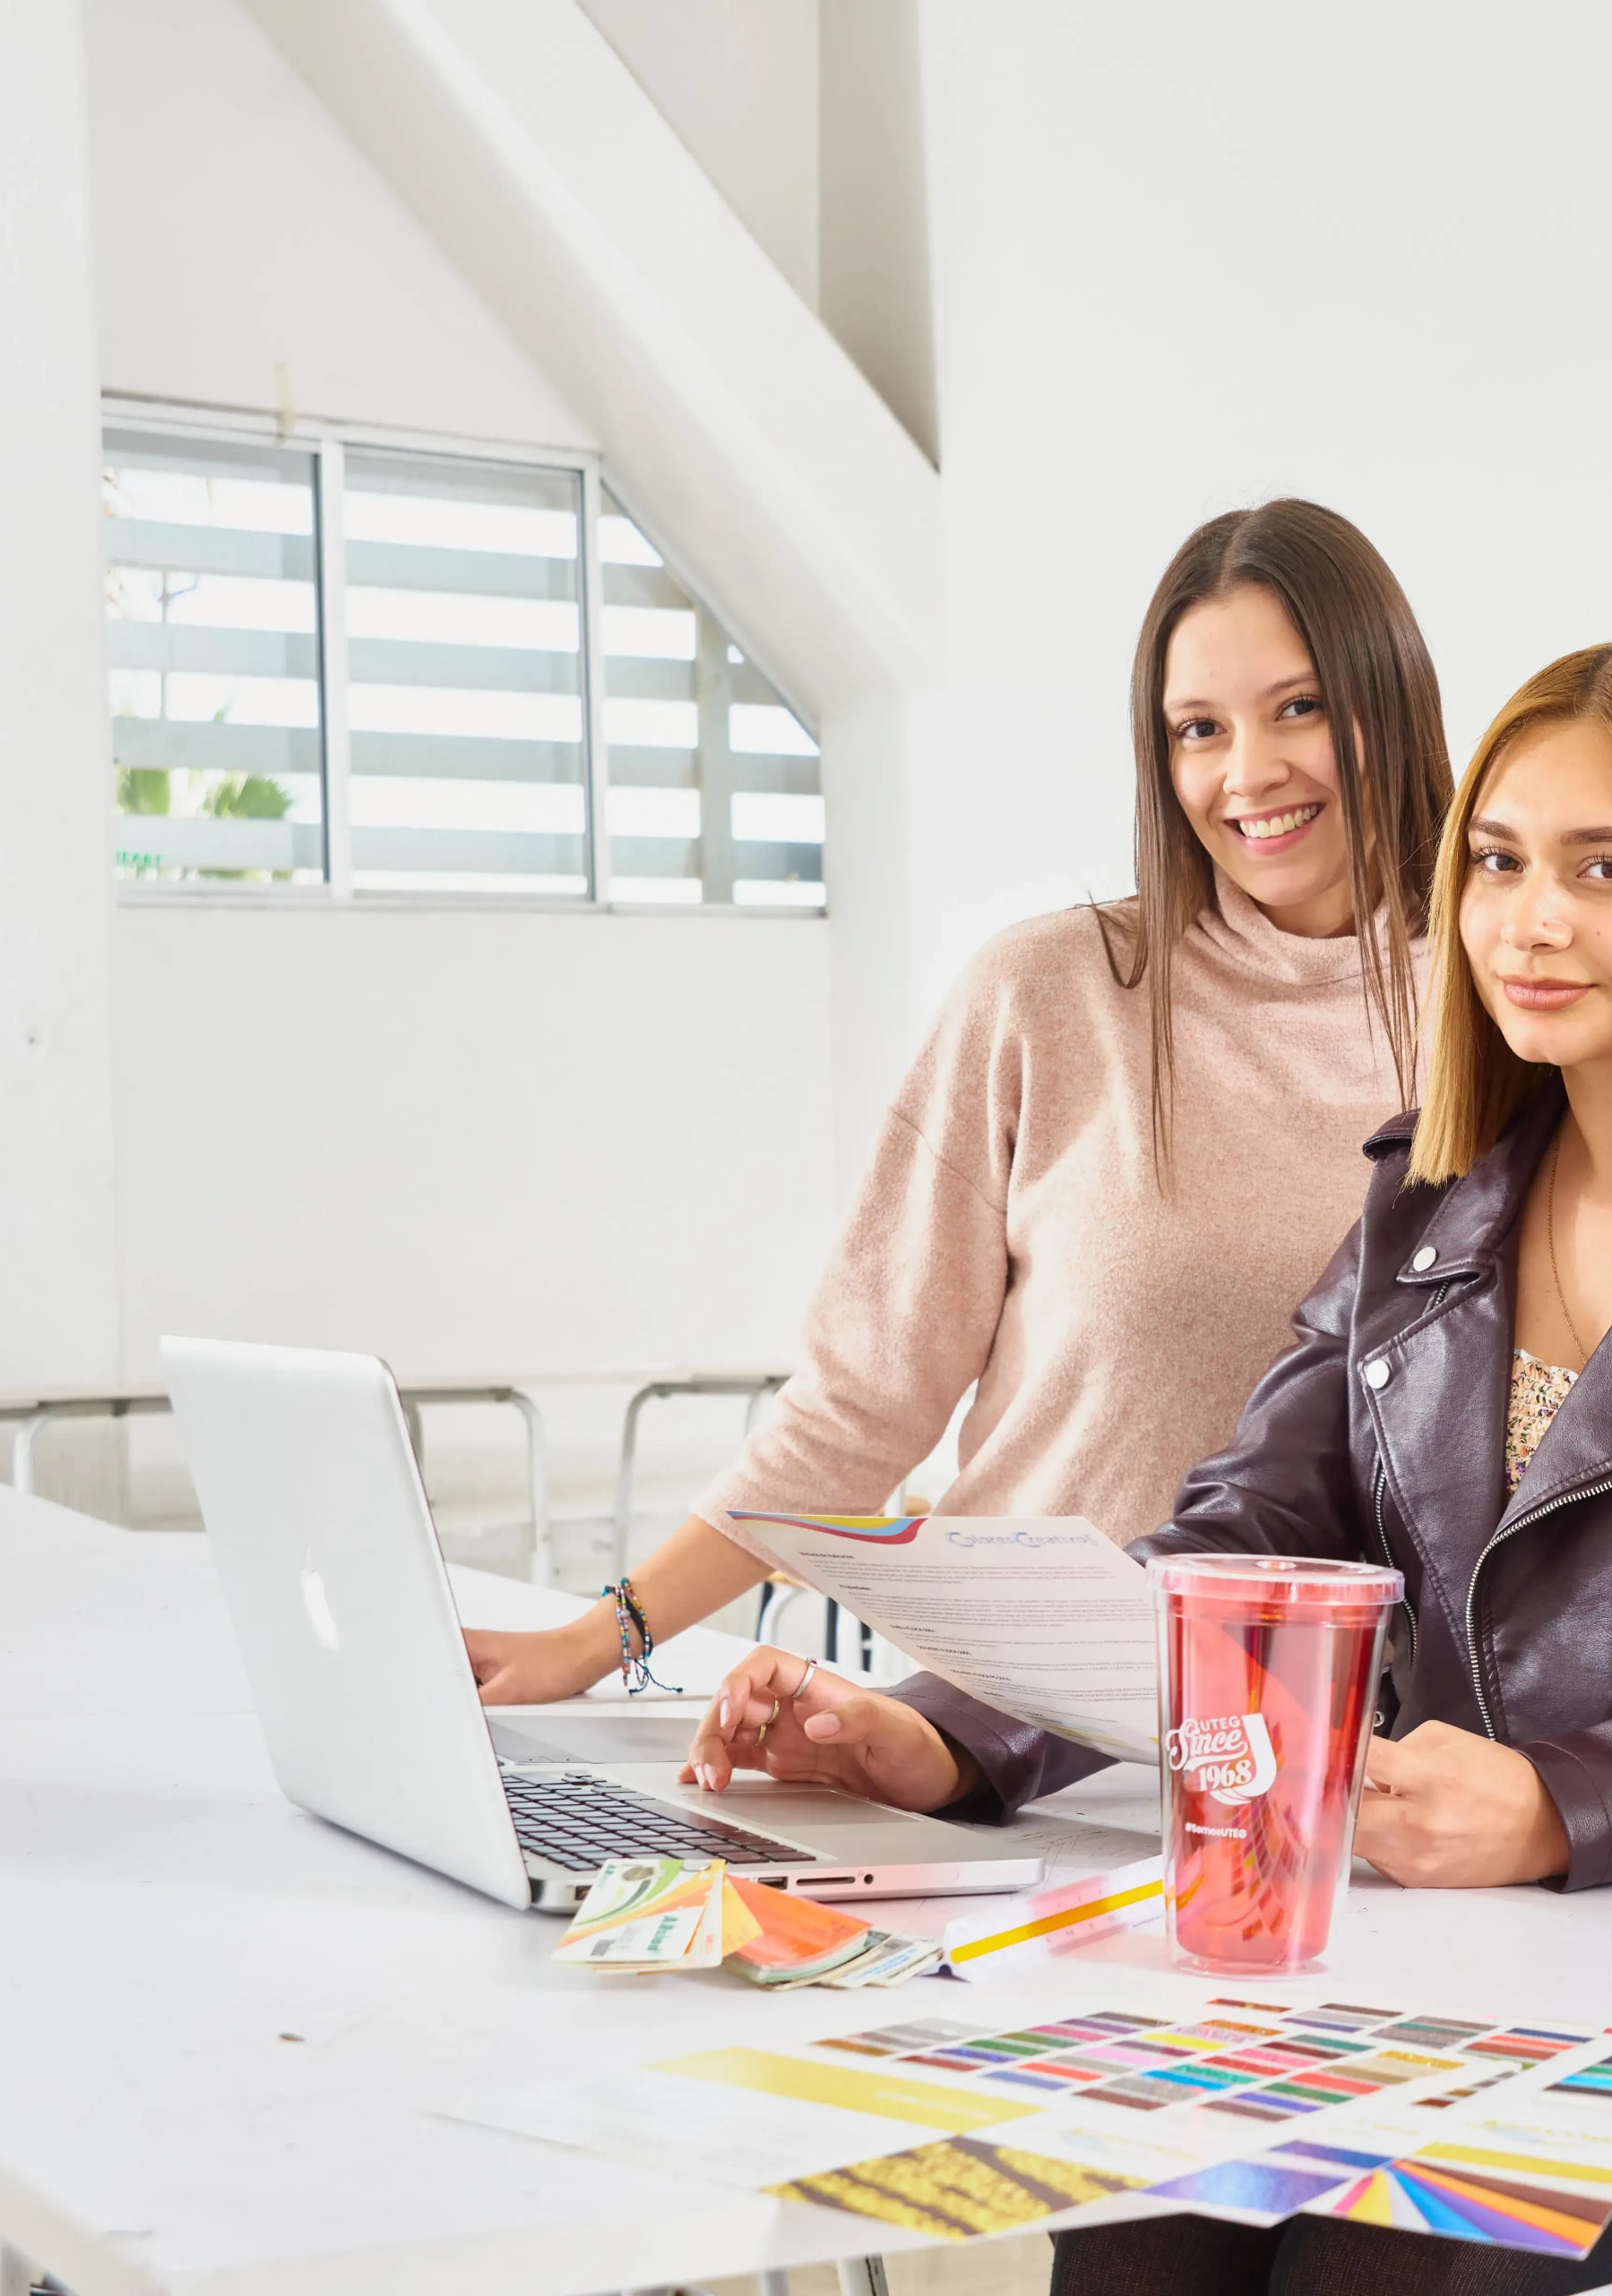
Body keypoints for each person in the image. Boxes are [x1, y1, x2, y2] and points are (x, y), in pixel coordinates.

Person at [693, 639, 1612, 2289]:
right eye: (1496, 863)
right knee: (1133, 2223)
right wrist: (945, 1736)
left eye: (1603, 869)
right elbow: (1243, 1533)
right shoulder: (1434, 1197)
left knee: (1374, 2267)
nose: (1527, 921)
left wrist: (1563, 1805)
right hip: (1415, 1953)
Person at [461, 500, 1449, 1705]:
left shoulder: (1503, 1025)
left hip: (1307, 1766)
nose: (1248, 775)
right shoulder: (1048, 994)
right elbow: (862, 1404)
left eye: (1297, 707)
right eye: (1198, 728)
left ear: (1386, 701)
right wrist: (602, 1635)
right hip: (994, 1729)